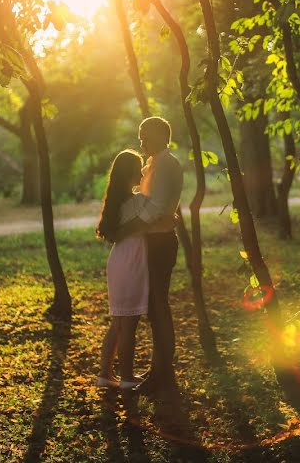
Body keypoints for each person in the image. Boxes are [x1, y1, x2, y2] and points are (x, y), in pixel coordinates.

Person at [114, 117, 183, 397]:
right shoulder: (151, 164)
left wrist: (119, 230)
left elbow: (154, 209)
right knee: (153, 308)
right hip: (148, 242)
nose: (140, 141)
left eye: (145, 135)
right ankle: (159, 370)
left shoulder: (168, 165)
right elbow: (142, 201)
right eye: (140, 135)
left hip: (160, 243)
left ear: (161, 135)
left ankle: (163, 373)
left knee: (158, 307)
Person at [95, 149, 151, 390]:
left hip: (119, 260)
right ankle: (127, 378)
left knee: (118, 323)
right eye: (139, 168)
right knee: (128, 325)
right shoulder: (138, 202)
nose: (142, 173)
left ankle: (105, 374)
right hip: (131, 262)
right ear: (130, 172)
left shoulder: (116, 203)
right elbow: (166, 216)